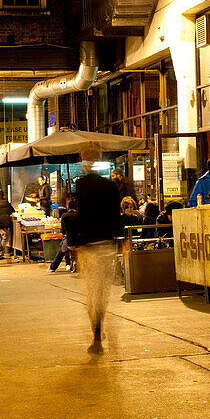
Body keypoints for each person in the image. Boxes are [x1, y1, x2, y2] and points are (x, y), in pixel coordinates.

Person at [71, 145, 122, 354]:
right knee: (102, 290)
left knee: (91, 291)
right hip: (106, 244)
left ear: (83, 159)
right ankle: (99, 328)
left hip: (88, 245)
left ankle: (96, 334)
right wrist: (120, 242)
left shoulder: (81, 184)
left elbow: (80, 215)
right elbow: (116, 216)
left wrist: (75, 243)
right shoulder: (110, 186)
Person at [47, 199, 78, 273]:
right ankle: (74, 265)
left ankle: (52, 268)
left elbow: (63, 230)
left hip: (68, 240)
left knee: (61, 253)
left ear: (68, 207)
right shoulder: (79, 216)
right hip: (78, 240)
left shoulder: (64, 216)